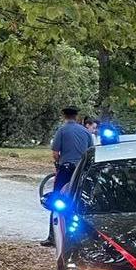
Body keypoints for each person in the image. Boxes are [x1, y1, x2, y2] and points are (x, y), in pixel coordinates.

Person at [41, 106, 94, 247]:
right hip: (82, 169)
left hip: (66, 169)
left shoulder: (62, 130)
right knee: (82, 200)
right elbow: (91, 151)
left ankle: (52, 236)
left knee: (56, 198)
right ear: (77, 116)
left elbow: (55, 153)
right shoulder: (85, 132)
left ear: (64, 116)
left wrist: (58, 163)